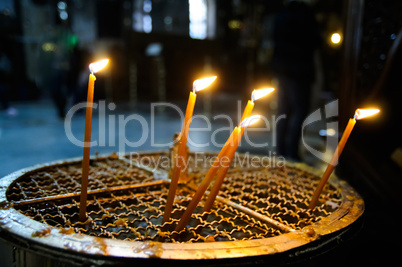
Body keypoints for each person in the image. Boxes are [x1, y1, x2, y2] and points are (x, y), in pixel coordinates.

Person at [270, 1, 321, 160]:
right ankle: (292, 150)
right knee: (299, 110)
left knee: (284, 109)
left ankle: (280, 149)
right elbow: (315, 42)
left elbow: (275, 39)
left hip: (282, 69)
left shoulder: (281, 14)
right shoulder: (305, 15)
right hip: (299, 70)